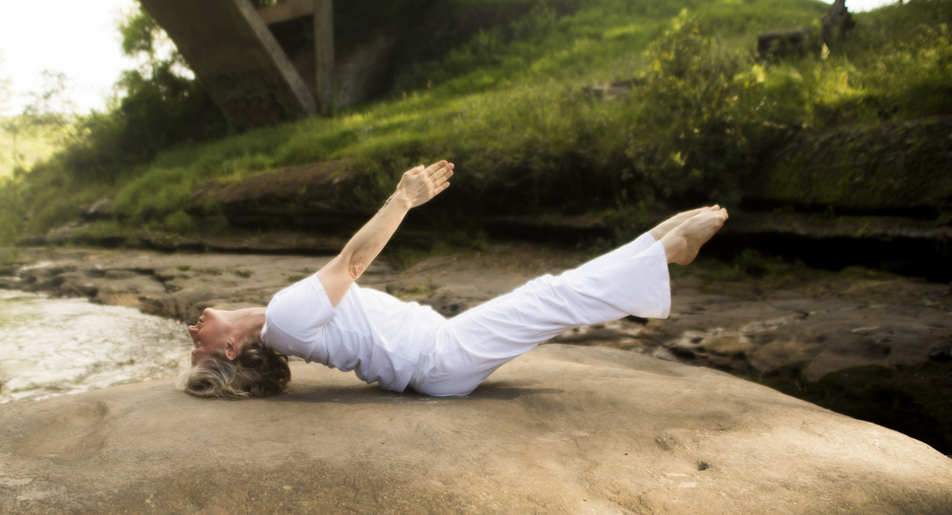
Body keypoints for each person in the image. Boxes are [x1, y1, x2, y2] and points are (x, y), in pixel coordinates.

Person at [184, 160, 727, 399]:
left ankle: (655, 250)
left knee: (548, 296)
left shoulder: (284, 324)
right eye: (197, 348)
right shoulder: (282, 320)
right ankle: (666, 252)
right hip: (440, 357)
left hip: (441, 353)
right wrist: (403, 199)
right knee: (549, 297)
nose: (190, 331)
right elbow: (352, 262)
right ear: (231, 349)